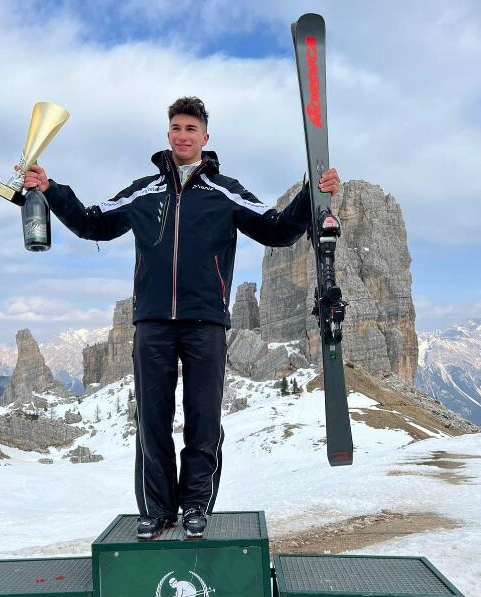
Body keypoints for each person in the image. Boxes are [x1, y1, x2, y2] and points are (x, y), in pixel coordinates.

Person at [23, 96, 339, 540]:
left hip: (205, 322)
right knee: (152, 420)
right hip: (151, 322)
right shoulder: (143, 191)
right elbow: (92, 223)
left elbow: (275, 230)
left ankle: (195, 505)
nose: (182, 135)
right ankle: (155, 509)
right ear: (167, 134)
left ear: (205, 138)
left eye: (191, 128)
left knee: (203, 419)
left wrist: (313, 193)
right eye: (176, 127)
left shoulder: (224, 191)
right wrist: (49, 188)